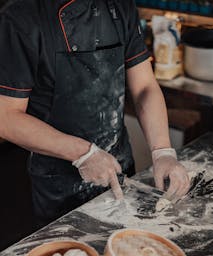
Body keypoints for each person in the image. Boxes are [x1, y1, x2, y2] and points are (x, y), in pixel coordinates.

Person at [0, 0, 190, 228]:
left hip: (120, 168)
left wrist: (163, 152)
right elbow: (6, 117)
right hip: (58, 183)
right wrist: (84, 154)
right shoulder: (21, 16)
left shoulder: (121, 7)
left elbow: (144, 87)